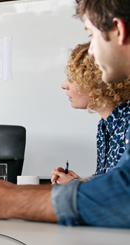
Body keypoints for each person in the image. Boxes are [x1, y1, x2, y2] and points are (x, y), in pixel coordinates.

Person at [0, 0, 130, 228]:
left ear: (119, 30)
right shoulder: (107, 126)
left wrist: (6, 199)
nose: (92, 51)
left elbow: (120, 195)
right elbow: (116, 183)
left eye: (91, 35)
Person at [52, 42, 130, 184]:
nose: (64, 85)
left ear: (97, 82)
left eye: (72, 78)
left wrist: (75, 185)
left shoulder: (128, 123)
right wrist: (79, 181)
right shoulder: (105, 125)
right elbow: (107, 179)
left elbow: (122, 192)